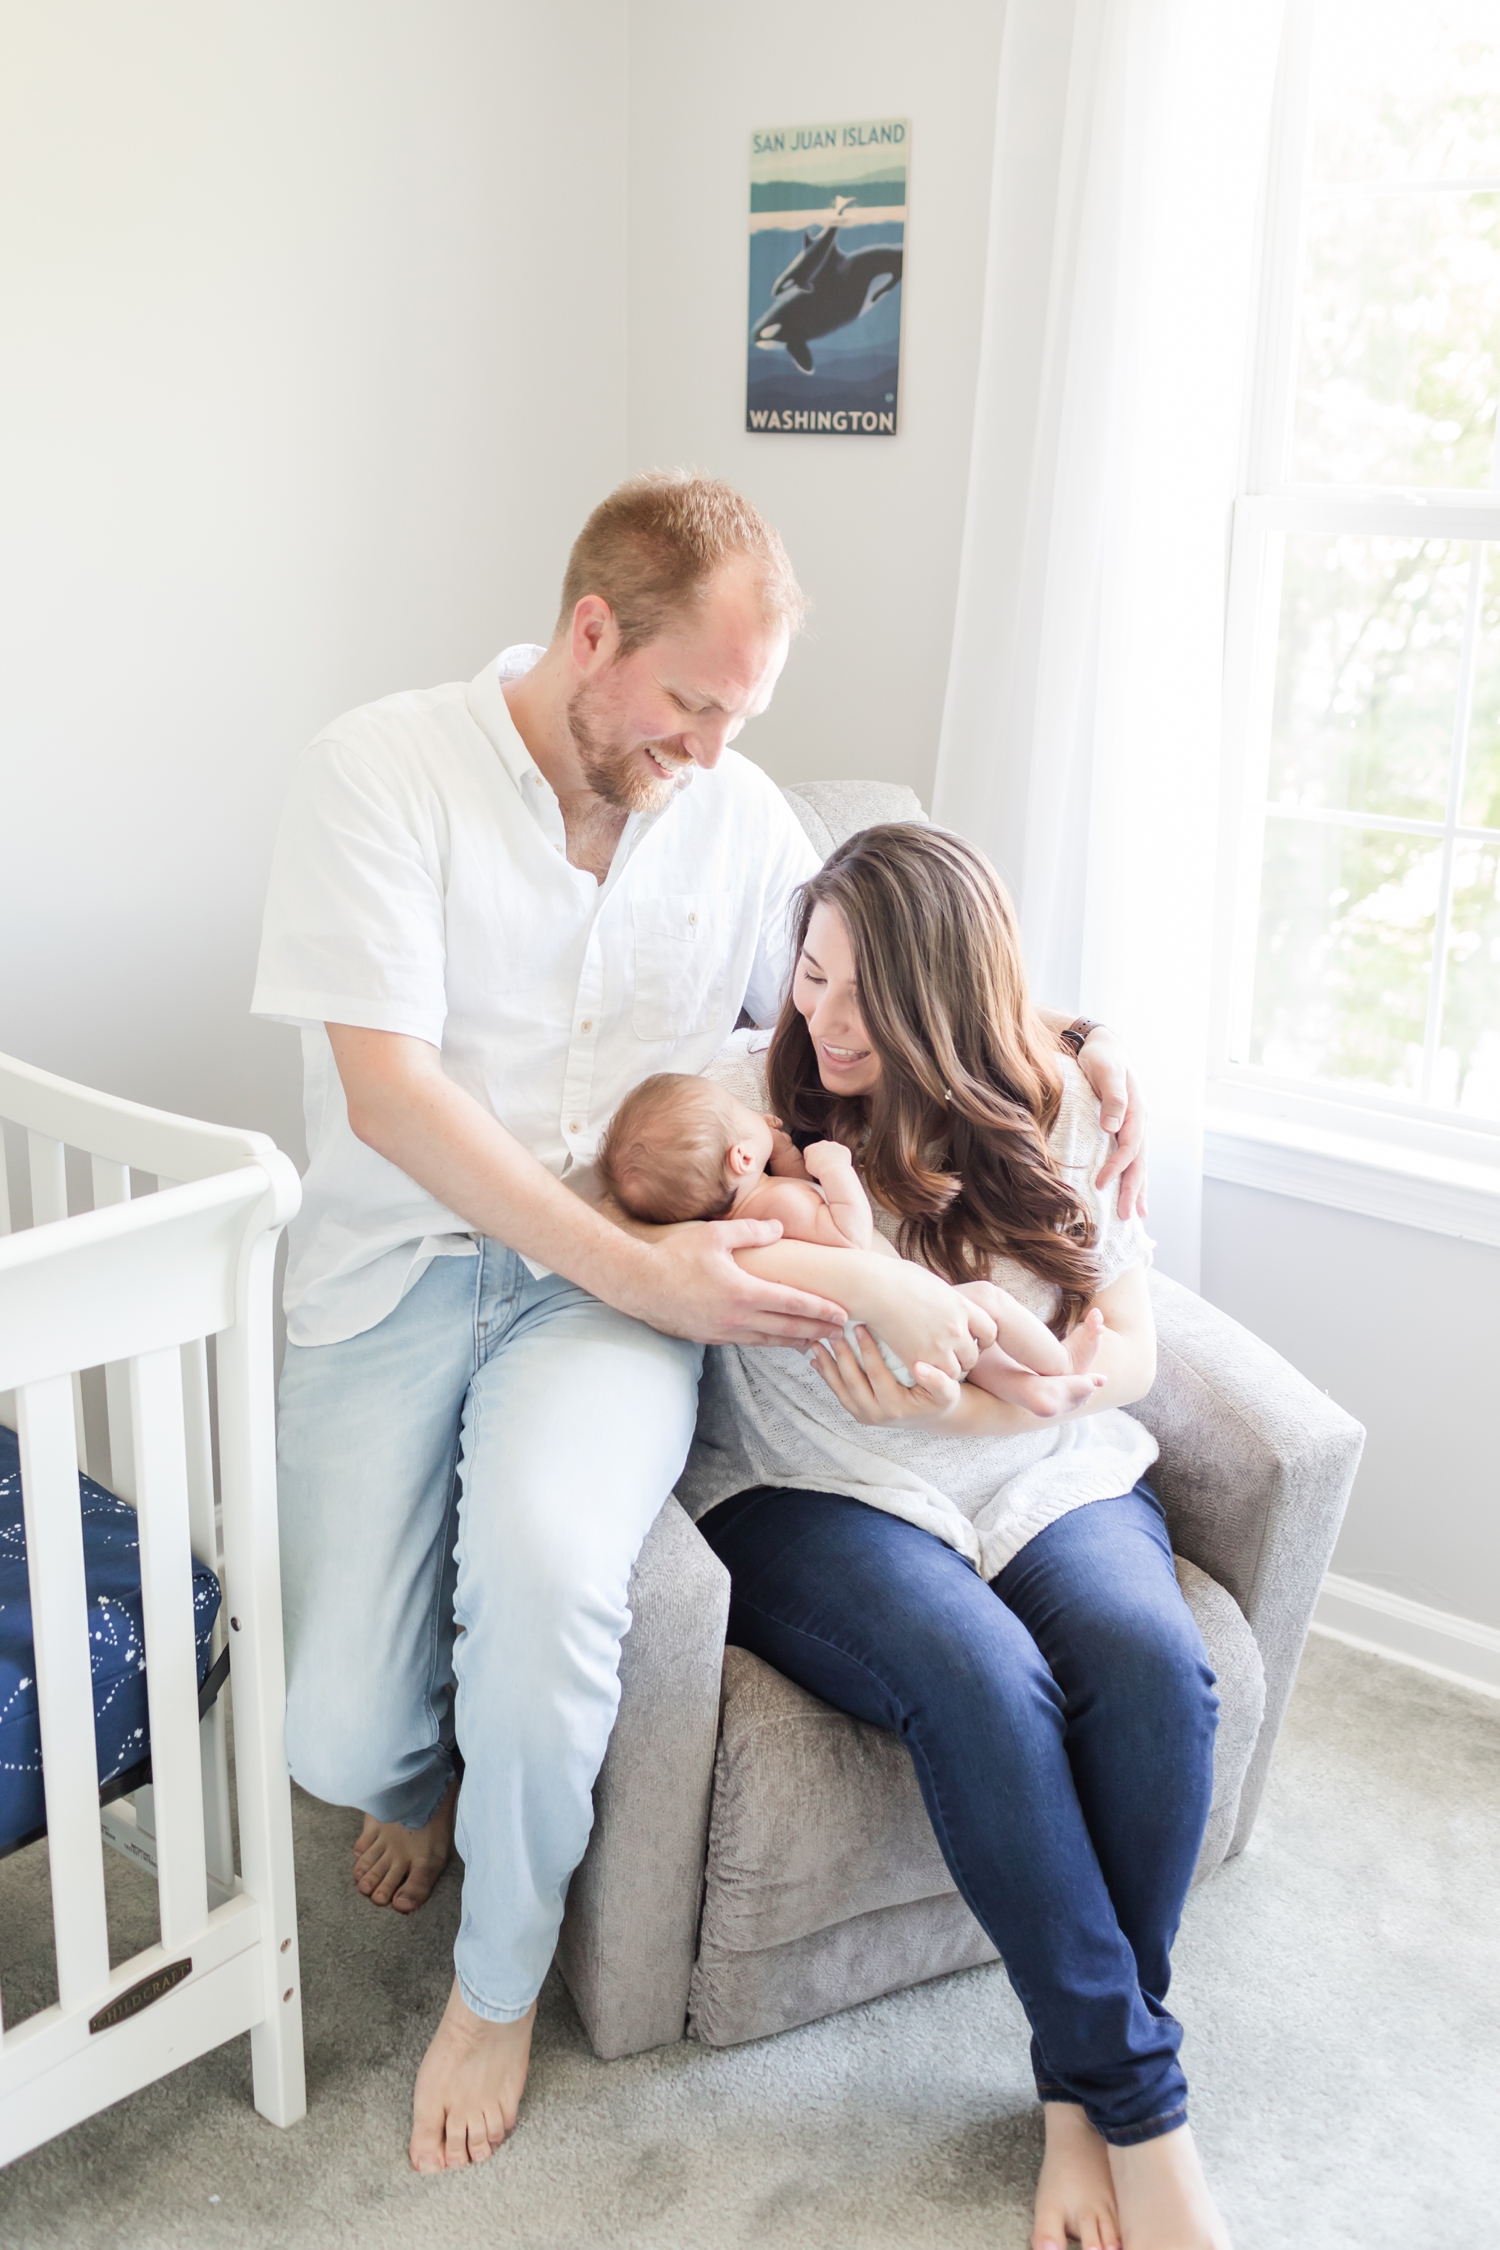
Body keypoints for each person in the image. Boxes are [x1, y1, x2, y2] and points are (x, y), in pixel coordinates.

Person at [250, 471, 1145, 2173]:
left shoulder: (731, 821)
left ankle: (494, 1979)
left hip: (608, 1307)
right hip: (401, 1272)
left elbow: (884, 965)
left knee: (557, 1575)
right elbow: (390, 1096)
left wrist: (1075, 1036)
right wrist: (639, 1267)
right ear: (595, 634)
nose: (718, 751)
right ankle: (420, 1761)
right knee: (344, 1735)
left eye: (748, 714)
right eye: (693, 703)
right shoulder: (382, 772)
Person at [677, 824, 1229, 2250]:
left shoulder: (1061, 1108)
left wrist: (1016, 1412)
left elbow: (1131, 1334)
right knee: (987, 1682)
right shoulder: (756, 1102)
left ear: (949, 996)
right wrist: (869, 1274)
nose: (827, 1016)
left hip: (1041, 1474)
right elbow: (691, 1241)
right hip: (818, 1493)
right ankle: (1151, 2124)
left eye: (867, 990)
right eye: (812, 972)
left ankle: (1074, 2095)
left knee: (1155, 1668)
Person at [596, 1070, 1106, 1419]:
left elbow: (794, 1192)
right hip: (890, 1328)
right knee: (989, 1305)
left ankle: (1035, 1392)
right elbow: (848, 1236)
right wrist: (835, 1169)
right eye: (741, 1112)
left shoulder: (754, 1211)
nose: (757, 1113)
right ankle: (1060, 1362)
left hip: (874, 1348)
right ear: (742, 1160)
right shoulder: (784, 1207)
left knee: (979, 1354)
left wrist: (789, 1155)